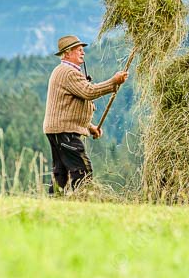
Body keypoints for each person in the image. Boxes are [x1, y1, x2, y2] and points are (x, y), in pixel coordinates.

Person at [43, 34, 128, 193]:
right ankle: (83, 197)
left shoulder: (63, 71)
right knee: (82, 169)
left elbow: (68, 107)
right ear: (67, 53)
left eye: (82, 49)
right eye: (78, 50)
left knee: (61, 172)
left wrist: (89, 127)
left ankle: (54, 200)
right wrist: (113, 81)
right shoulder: (68, 72)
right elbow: (88, 92)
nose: (83, 52)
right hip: (65, 131)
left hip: (58, 129)